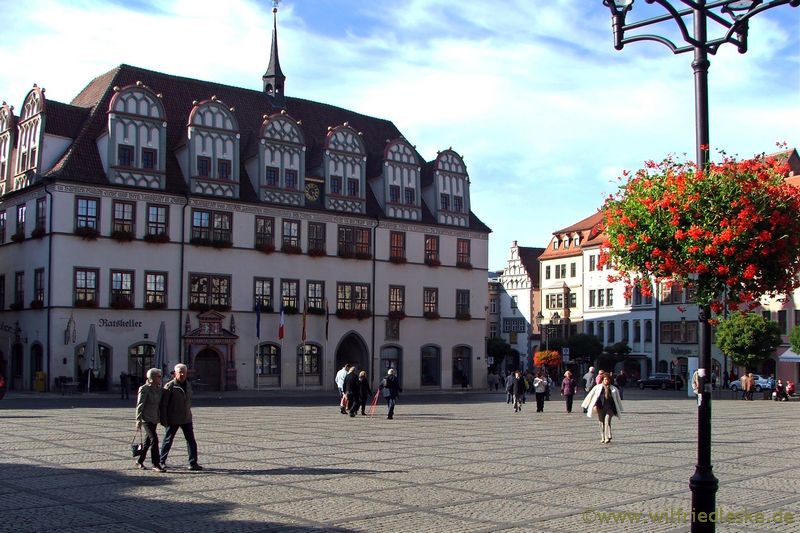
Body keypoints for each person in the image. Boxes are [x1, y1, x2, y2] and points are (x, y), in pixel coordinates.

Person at [159, 363, 202, 471]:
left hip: (186, 418)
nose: (182, 374)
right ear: (175, 373)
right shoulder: (170, 386)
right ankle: (161, 461)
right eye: (180, 372)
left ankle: (193, 463)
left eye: (184, 372)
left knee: (191, 441)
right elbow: (164, 405)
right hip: (173, 418)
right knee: (168, 440)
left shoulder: (188, 385)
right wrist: (164, 419)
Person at [134, 368, 165, 472]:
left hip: (154, 418)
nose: (160, 378)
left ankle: (139, 461)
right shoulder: (144, 389)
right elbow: (140, 405)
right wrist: (138, 420)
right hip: (146, 418)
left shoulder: (159, 389)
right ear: (152, 378)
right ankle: (156, 464)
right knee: (154, 439)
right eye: (159, 376)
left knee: (147, 442)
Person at [581, 373, 623, 444]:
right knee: (601, 422)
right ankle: (603, 436)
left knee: (607, 421)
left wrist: (619, 408)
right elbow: (590, 395)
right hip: (600, 407)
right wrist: (586, 404)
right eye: (605, 379)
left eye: (608, 379)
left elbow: (617, 399)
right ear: (602, 380)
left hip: (610, 408)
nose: (607, 381)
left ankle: (607, 437)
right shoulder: (598, 387)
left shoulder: (613, 388)